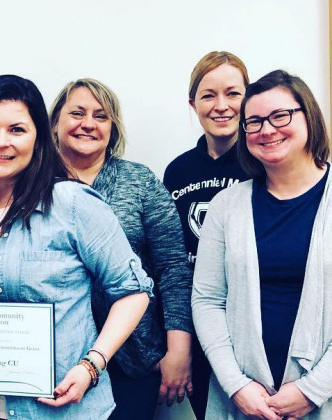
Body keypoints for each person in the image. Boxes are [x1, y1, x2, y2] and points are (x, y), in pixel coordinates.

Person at [0, 74, 152, 419]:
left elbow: (133, 292)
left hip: (61, 410)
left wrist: (91, 366)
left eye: (17, 130)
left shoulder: (72, 203)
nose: (1, 142)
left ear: (38, 138)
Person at [49, 78, 193, 419]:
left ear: (113, 128)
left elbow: (172, 268)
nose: (88, 123)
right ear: (55, 122)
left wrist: (178, 349)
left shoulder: (139, 182)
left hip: (133, 358)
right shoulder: (31, 186)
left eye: (101, 116)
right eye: (77, 113)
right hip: (54, 358)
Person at [192, 70, 332, 419]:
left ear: (309, 115)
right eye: (253, 122)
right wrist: (236, 384)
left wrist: (313, 388)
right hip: (241, 401)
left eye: (280, 116)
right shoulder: (226, 205)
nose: (267, 130)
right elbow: (207, 299)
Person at [162, 51, 251, 419]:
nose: (221, 106)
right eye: (208, 95)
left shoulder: (263, 163)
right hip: (198, 327)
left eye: (233, 93)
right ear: (192, 103)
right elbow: (168, 261)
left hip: (250, 324)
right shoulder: (177, 171)